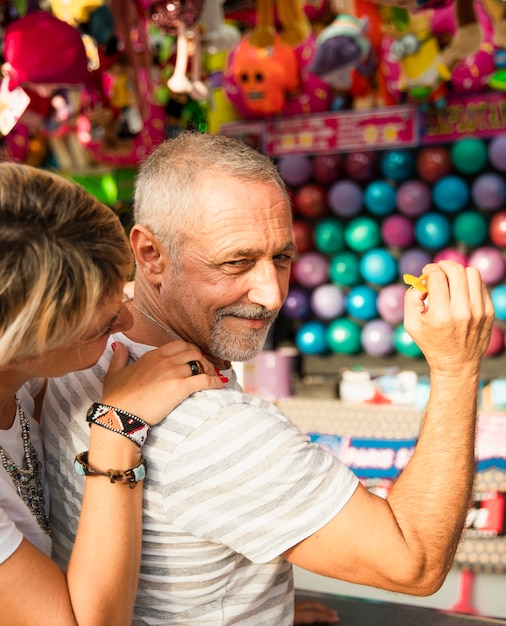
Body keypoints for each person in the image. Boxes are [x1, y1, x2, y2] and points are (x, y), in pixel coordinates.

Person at [42, 131, 494, 625]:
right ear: (150, 254)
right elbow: (415, 560)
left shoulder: (78, 349)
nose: (272, 294)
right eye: (235, 261)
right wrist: (457, 366)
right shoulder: (215, 428)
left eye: (280, 257)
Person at [0, 162, 224, 626]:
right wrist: (118, 429)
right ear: (12, 344)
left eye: (120, 293)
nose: (128, 320)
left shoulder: (10, 381)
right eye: (102, 324)